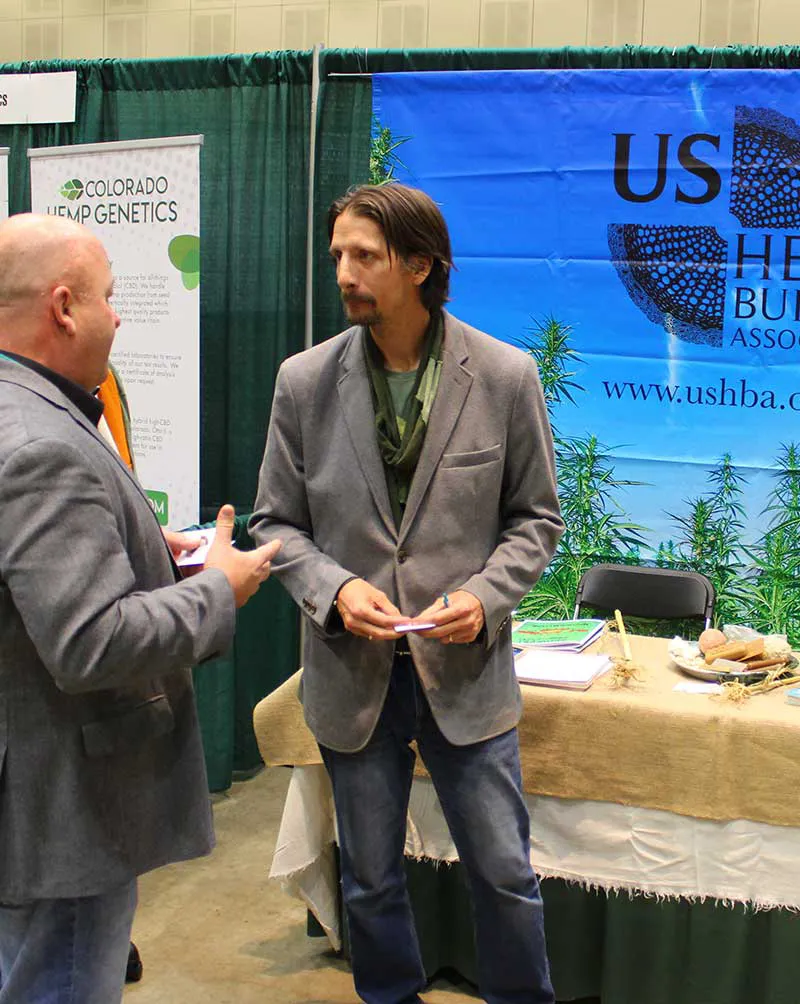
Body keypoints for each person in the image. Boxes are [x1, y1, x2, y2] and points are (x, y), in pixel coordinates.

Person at [250, 183, 564, 1004]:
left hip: (465, 675)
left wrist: (485, 598)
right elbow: (274, 522)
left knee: (504, 874)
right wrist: (335, 588)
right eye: (338, 256)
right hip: (351, 675)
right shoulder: (303, 381)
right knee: (370, 880)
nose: (344, 273)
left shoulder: (503, 375)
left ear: (421, 265)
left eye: (365, 256)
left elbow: (536, 520)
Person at [0, 212, 280, 1004]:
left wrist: (133, 542)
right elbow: (90, 642)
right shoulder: (43, 444)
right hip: (64, 812)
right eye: (109, 297)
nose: (118, 318)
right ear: (63, 308)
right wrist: (217, 588)